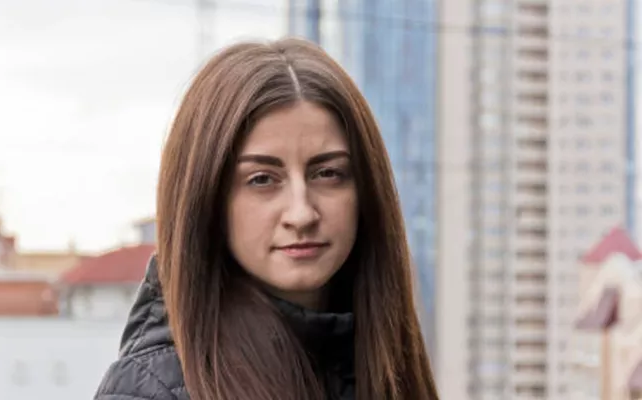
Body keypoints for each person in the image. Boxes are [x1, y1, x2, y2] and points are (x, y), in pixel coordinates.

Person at [94, 38, 438, 400]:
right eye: (262, 179)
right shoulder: (152, 389)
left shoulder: (384, 364)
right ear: (207, 199)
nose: (302, 213)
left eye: (328, 173)